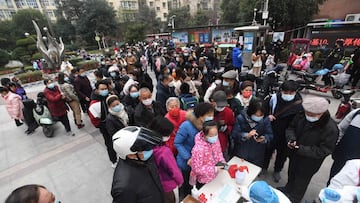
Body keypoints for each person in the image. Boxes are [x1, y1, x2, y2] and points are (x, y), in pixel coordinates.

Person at [279, 96, 339, 203]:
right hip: (294, 155)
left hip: (309, 162)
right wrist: (291, 139)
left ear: (322, 113)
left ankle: (294, 198)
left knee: (301, 181)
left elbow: (324, 150)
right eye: (307, 113)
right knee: (291, 173)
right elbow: (291, 127)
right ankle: (287, 189)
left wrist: (300, 149)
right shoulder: (302, 115)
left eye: (312, 115)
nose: (308, 116)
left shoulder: (331, 128)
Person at [263, 80, 303, 182]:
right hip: (272, 130)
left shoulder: (299, 104)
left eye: (291, 93)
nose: (288, 95)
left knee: (282, 154)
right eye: (286, 93)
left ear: (296, 92)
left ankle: (277, 170)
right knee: (267, 151)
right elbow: (263, 111)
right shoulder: (273, 99)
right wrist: (267, 116)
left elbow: (299, 122)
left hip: (287, 134)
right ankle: (263, 167)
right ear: (281, 91)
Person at [111, 126, 164, 203]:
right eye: (145, 148)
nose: (150, 150)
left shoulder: (145, 159)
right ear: (131, 155)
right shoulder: (124, 187)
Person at [174, 102, 214, 197]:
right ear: (200, 115)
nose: (211, 117)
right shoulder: (186, 126)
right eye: (209, 115)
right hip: (188, 163)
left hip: (202, 163)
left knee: (201, 187)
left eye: (212, 115)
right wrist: (188, 158)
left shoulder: (208, 125)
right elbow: (177, 143)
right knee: (189, 188)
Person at [149, 117, 184, 203]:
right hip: (168, 185)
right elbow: (174, 170)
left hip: (154, 183)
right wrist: (180, 181)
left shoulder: (148, 144)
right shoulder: (164, 152)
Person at [231, 98, 273, 167]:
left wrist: (264, 138)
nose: (258, 117)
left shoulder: (265, 120)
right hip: (242, 152)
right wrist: (247, 135)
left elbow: (270, 134)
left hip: (257, 154)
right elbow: (235, 134)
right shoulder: (241, 118)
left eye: (261, 115)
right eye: (256, 115)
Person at [89, 80, 116, 167]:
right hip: (106, 128)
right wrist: (104, 126)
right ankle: (114, 161)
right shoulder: (94, 104)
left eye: (106, 88)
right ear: (97, 90)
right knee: (110, 144)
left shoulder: (110, 96)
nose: (105, 90)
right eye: (102, 89)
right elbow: (94, 120)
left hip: (116, 124)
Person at [328, 108, 360, 183]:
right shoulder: (356, 113)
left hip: (357, 169)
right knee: (334, 181)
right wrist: (336, 146)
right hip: (342, 159)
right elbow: (341, 129)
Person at [191, 121, 226, 188]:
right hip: (204, 180)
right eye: (211, 136)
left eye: (216, 134)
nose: (214, 137)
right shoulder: (198, 149)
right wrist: (214, 169)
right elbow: (196, 169)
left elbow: (219, 153)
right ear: (204, 135)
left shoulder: (215, 140)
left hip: (216, 175)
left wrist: (223, 162)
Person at [211, 90, 235, 155]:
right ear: (213, 101)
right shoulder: (208, 110)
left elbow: (232, 125)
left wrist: (226, 128)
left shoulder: (228, 112)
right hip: (209, 143)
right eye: (219, 106)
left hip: (222, 143)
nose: (220, 108)